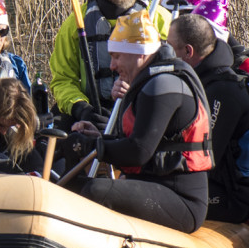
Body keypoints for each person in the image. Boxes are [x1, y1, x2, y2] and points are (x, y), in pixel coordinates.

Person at [66, 13, 214, 233]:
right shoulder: (149, 82)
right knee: (74, 187)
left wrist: (91, 147)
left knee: (96, 190)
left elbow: (138, 152)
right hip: (152, 185)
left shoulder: (163, 85)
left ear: (139, 54)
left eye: (117, 56)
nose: (112, 66)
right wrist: (97, 138)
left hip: (182, 200)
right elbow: (140, 143)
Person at [49, 0, 171, 123]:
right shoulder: (75, 23)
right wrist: (82, 109)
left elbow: (173, 72)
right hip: (93, 110)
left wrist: (138, 89)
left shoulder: (159, 18)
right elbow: (63, 80)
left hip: (143, 105)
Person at [169, 10, 249, 223]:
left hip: (229, 198)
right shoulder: (200, 80)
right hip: (207, 186)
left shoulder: (224, 91)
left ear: (188, 51)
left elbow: (205, 157)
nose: (167, 54)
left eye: (170, 48)